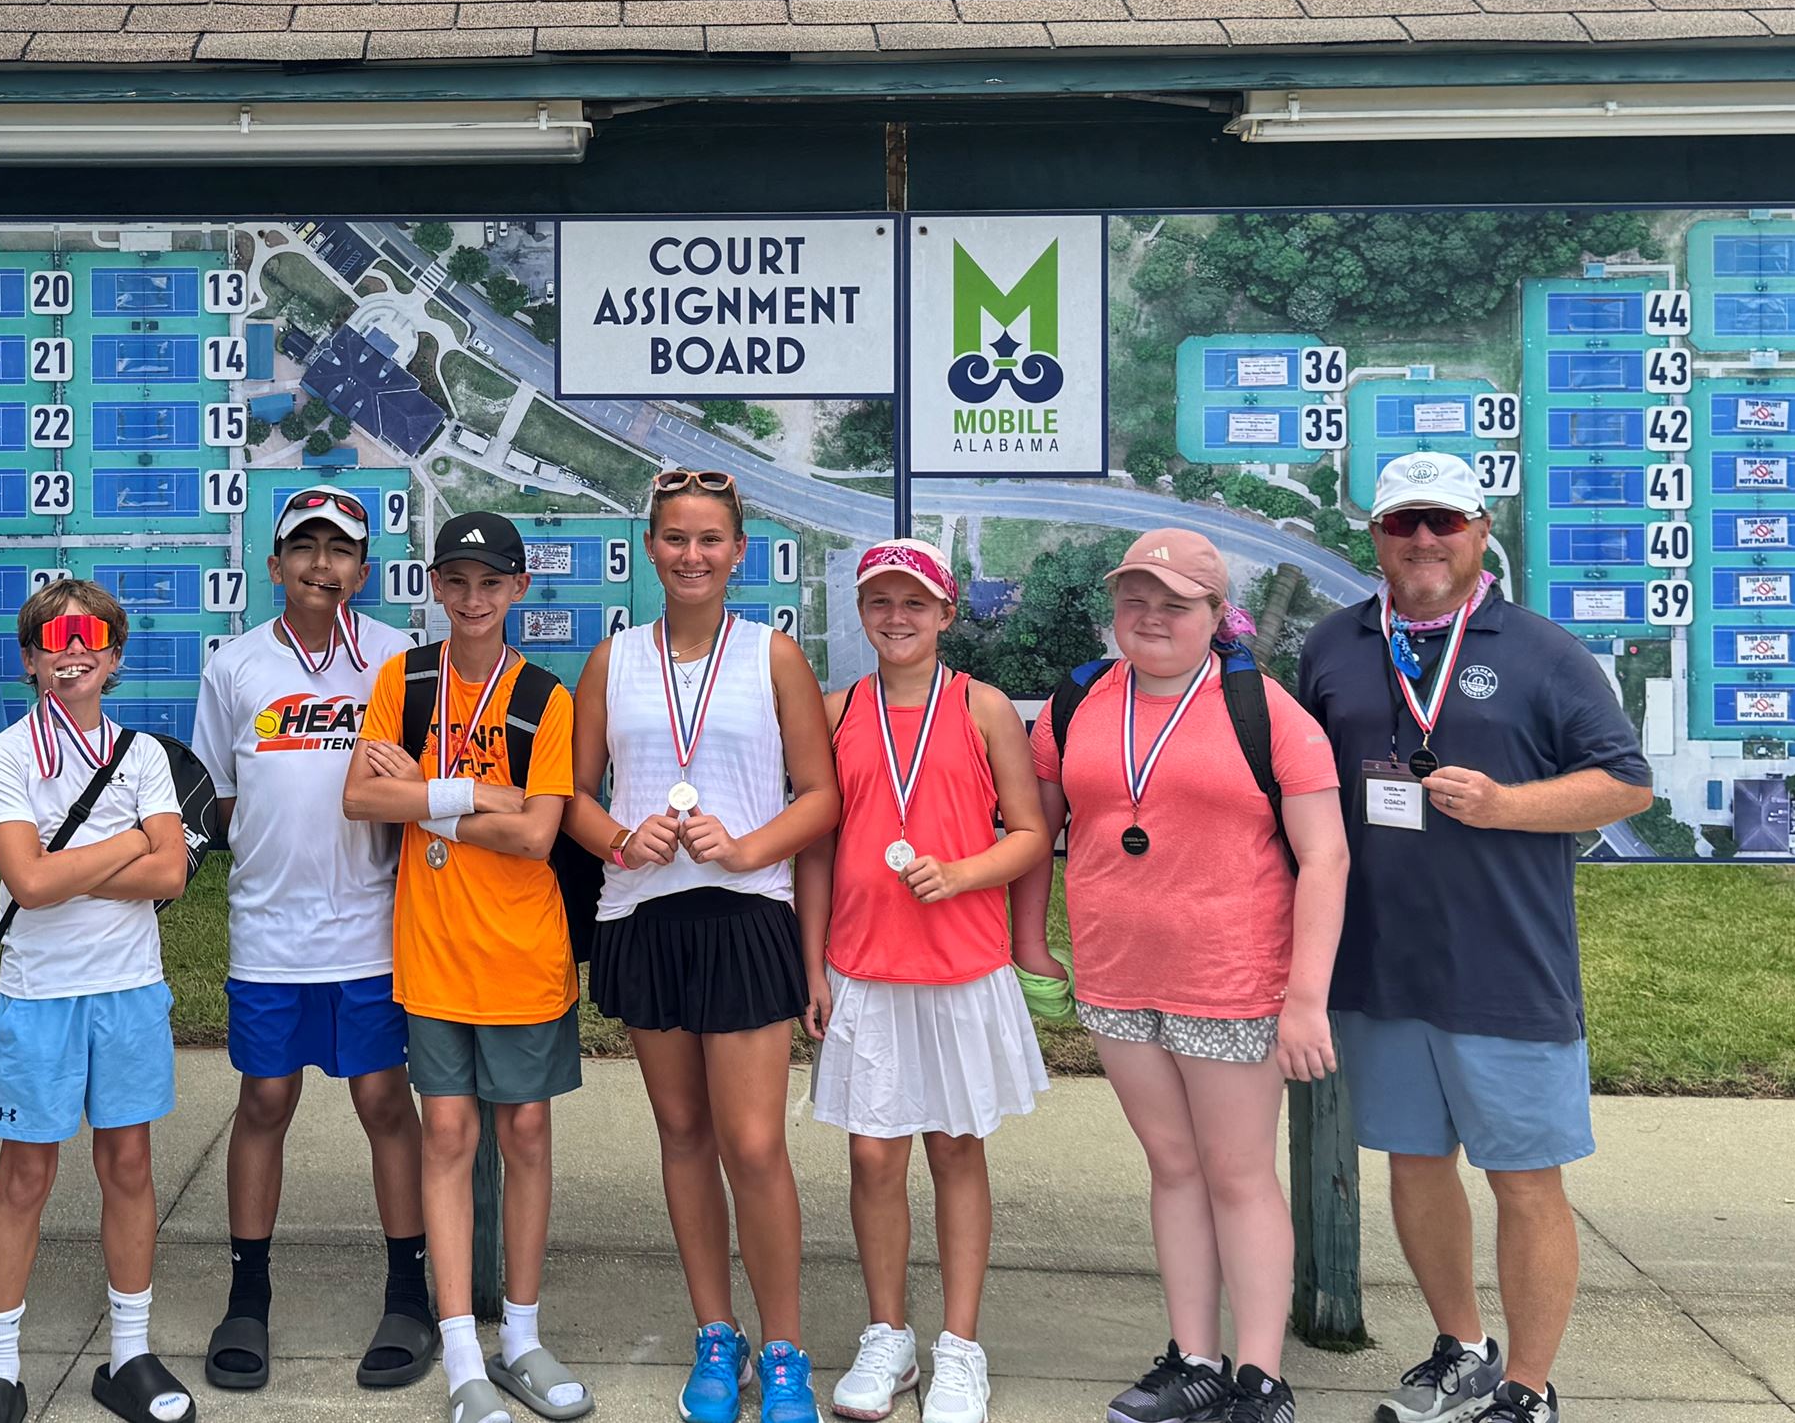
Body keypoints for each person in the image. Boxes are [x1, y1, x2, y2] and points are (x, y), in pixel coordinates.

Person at [1294, 454, 1653, 1423]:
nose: (1421, 540)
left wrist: (1507, 806)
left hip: (1505, 970)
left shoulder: (1541, 653)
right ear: (1372, 534)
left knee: (1524, 1181)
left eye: (1441, 523)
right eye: (1402, 522)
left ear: (1479, 531)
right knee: (1413, 1165)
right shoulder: (1331, 648)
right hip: (1379, 970)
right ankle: (1460, 1348)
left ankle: (1527, 1390)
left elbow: (1624, 784)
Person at [1010, 527, 1350, 1423]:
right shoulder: (1078, 700)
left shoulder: (1266, 711)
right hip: (1117, 978)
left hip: (1233, 980)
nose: (1150, 615)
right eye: (1135, 597)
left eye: (1174, 601)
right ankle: (1194, 1358)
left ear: (1215, 613)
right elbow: (1041, 830)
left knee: (1238, 1174)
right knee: (1171, 1166)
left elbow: (1326, 857)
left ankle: (1259, 1377)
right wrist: (1031, 940)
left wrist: (1306, 998)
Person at [562, 469, 840, 1423]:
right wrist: (617, 840)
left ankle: (788, 1349)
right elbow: (578, 793)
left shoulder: (774, 656)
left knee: (755, 1146)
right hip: (644, 917)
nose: (691, 555)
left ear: (738, 553)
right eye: (675, 538)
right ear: (650, 548)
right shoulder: (613, 659)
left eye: (710, 540)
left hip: (745, 916)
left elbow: (820, 795)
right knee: (683, 1136)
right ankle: (715, 1336)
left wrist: (747, 846)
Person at [343, 510, 589, 1423]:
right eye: (456, 581)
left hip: (525, 955)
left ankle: (520, 1337)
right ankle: (461, 1356)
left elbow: (536, 835)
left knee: (523, 1135)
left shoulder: (545, 699)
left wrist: (425, 797)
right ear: (434, 588)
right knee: (446, 1137)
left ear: (519, 590)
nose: (474, 598)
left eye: (492, 582)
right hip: (434, 951)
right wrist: (470, 788)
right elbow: (362, 796)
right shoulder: (402, 680)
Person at [798, 539, 1052, 1423]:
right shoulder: (835, 712)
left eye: (915, 603)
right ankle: (888, 1337)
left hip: (960, 965)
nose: (896, 618)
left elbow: (1027, 833)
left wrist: (966, 873)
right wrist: (813, 965)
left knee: (954, 1147)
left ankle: (960, 1347)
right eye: (880, 603)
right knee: (872, 1154)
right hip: (863, 966)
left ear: (946, 613)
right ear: (862, 614)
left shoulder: (983, 710)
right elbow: (818, 849)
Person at [189, 489, 430, 1395]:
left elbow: (425, 785)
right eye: (304, 548)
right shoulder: (237, 666)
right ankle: (247, 1297)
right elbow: (214, 792)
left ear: (363, 571)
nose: (321, 565)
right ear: (274, 563)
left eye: (340, 552)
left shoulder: (399, 661)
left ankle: (407, 1293)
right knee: (264, 1103)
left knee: (382, 1100)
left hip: (371, 926)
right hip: (269, 931)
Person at [0, 582, 191, 1423]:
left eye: (91, 638)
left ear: (115, 656)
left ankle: (130, 1356)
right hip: (39, 996)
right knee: (26, 1175)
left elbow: (175, 874)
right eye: (53, 639)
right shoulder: (6, 756)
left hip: (128, 993)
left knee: (128, 1166)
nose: (73, 651)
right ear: (30, 659)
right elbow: (28, 880)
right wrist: (131, 839)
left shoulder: (145, 754)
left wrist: (77, 867)